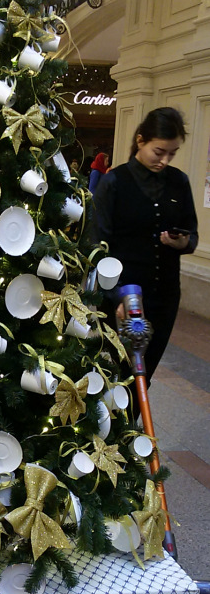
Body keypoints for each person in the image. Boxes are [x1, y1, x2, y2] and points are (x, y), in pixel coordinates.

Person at [93, 107, 198, 386]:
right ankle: (113, 428)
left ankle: (133, 426)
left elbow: (193, 235)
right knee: (116, 373)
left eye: (172, 153)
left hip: (164, 296)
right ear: (141, 141)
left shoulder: (179, 182)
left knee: (144, 375)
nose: (164, 160)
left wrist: (183, 241)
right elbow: (97, 246)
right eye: (159, 151)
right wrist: (115, 296)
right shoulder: (114, 182)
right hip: (122, 295)